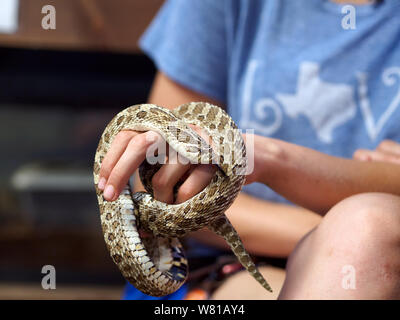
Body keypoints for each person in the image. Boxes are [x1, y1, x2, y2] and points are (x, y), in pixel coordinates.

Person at [98, 0, 400, 299]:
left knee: (366, 229)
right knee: (365, 230)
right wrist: (334, 229)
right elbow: (160, 188)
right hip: (226, 260)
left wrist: (268, 157)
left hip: (370, 248)